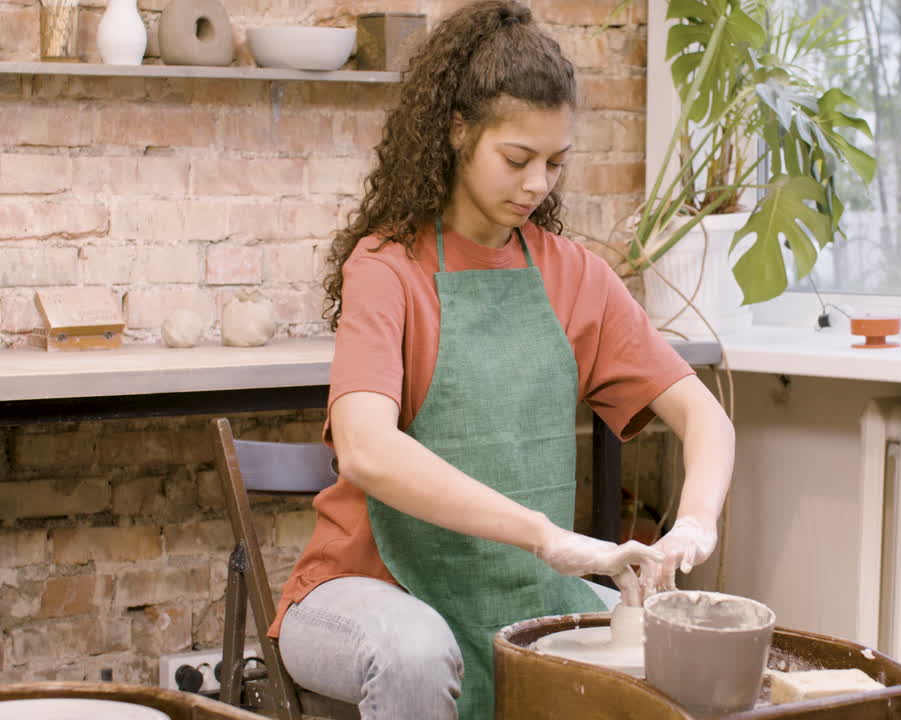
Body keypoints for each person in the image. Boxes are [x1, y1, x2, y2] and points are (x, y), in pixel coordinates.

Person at [269, 2, 736, 718]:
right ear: (458, 132)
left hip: (523, 591)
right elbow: (366, 450)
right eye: (517, 160)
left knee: (678, 646)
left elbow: (703, 416)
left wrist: (695, 523)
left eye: (555, 163)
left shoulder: (575, 277)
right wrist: (547, 537)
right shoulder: (387, 267)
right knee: (416, 653)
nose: (538, 184)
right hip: (366, 592)